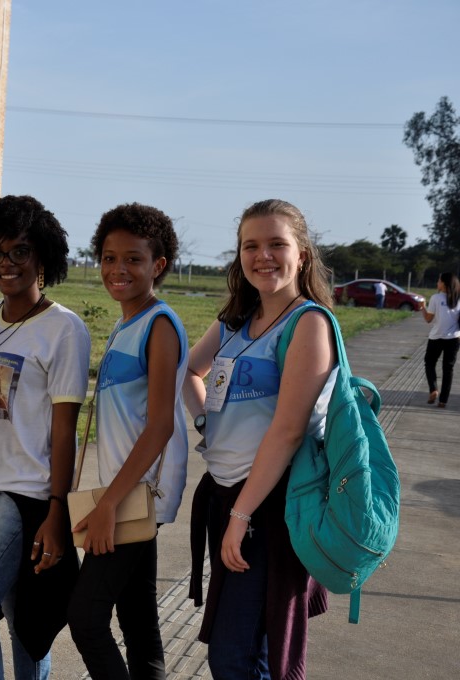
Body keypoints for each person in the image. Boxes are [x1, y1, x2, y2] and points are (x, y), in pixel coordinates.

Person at [183, 199, 336, 680]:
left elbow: (288, 430)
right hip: (227, 495)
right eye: (250, 245)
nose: (262, 256)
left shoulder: (307, 323)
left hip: (270, 507)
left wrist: (241, 515)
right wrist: (207, 422)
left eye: (276, 244)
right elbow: (189, 371)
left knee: (234, 657)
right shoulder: (234, 322)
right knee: (256, 652)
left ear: (302, 254)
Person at [0, 195, 90, 680]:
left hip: (27, 493)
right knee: (22, 619)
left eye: (19, 252)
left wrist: (58, 509)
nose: (5, 263)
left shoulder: (64, 329)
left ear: (42, 256)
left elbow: (65, 429)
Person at [67, 203, 188, 680]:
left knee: (86, 618)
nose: (118, 269)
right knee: (137, 617)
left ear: (158, 265)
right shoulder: (125, 323)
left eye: (133, 259)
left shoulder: (159, 325)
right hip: (124, 492)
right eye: (109, 258)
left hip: (133, 496)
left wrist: (108, 505)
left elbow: (160, 426)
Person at [422, 272, 460, 408]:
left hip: (436, 337)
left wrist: (423, 307)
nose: (437, 283)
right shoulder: (458, 299)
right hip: (454, 338)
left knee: (429, 363)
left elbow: (428, 319)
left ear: (444, 283)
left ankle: (433, 389)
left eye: (439, 281)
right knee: (448, 369)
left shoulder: (436, 298)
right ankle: (443, 400)